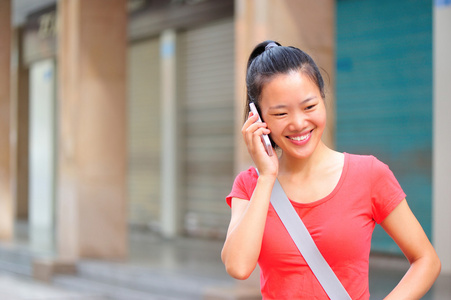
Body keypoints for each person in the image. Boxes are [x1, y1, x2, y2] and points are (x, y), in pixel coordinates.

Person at [221, 40, 441, 299]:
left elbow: (426, 259)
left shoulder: (369, 174)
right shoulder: (250, 185)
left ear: (323, 100)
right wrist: (267, 176)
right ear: (257, 119)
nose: (299, 123)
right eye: (280, 114)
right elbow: (238, 266)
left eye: (309, 107)